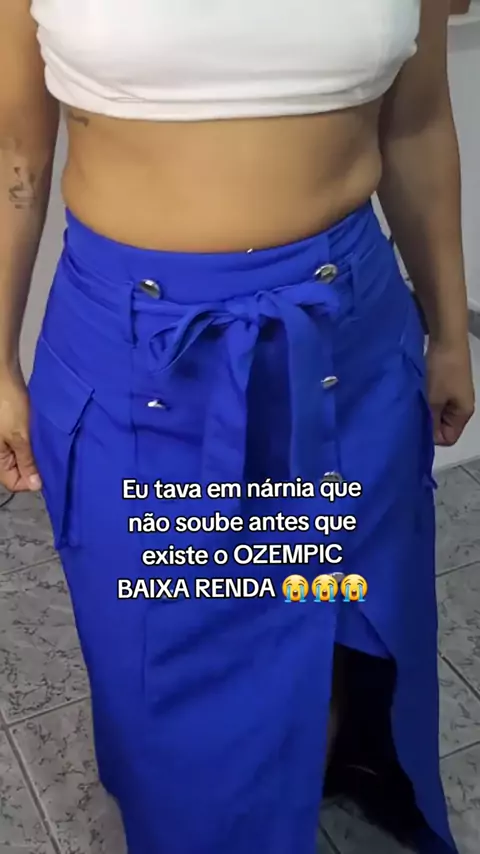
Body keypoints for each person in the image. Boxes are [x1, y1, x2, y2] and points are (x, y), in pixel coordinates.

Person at [0, 1, 474, 852]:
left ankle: (322, 778)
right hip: (136, 363)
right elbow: (14, 159)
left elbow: (417, 125)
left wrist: (447, 331)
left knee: (334, 602)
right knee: (165, 655)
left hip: (346, 343)